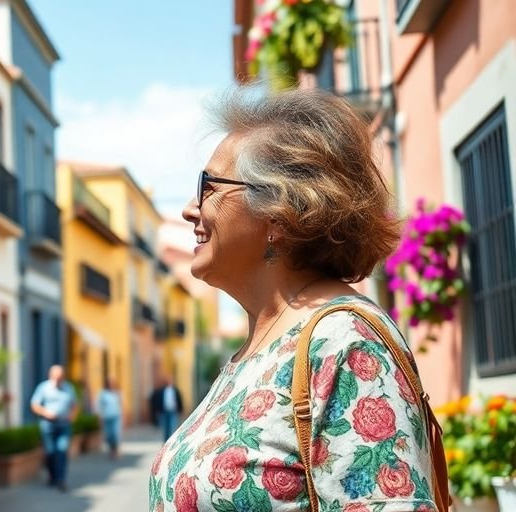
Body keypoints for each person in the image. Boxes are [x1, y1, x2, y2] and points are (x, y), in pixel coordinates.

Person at [149, 88, 439, 511]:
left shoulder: (344, 340)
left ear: (280, 213)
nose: (190, 209)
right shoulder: (259, 346)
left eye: (208, 187)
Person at [30, 364, 78, 492]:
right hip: (48, 425)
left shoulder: (69, 388)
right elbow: (35, 405)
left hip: (63, 424)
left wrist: (72, 416)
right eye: (56, 377)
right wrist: (46, 413)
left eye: (60, 377)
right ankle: (52, 476)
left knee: (61, 451)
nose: (58, 380)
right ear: (50, 376)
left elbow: (74, 405)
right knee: (50, 452)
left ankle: (61, 479)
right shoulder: (43, 388)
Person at [149, 376, 184, 441]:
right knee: (165, 429)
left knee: (173, 427)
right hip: (164, 412)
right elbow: (158, 401)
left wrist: (180, 410)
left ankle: (172, 441)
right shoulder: (162, 391)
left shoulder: (175, 390)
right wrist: (158, 411)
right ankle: (166, 442)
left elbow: (179, 400)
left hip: (173, 411)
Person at [96, 377, 123, 459]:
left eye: (113, 382)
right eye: (110, 382)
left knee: (115, 434)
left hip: (116, 416)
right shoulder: (103, 393)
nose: (111, 384)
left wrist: (123, 416)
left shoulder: (117, 393)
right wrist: (100, 417)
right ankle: (111, 449)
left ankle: (115, 450)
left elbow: (121, 405)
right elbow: (99, 406)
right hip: (107, 417)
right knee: (109, 435)